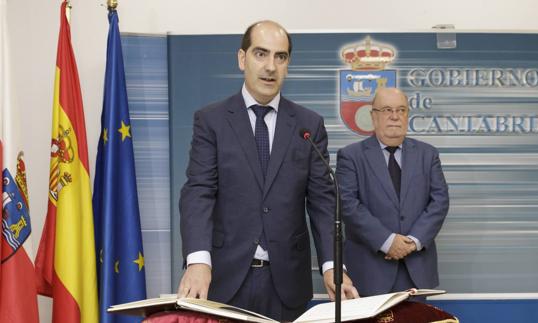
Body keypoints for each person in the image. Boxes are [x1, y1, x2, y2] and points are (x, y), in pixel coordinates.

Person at [177, 20, 358, 321]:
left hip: (286, 282)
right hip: (225, 279)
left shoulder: (308, 125)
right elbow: (199, 192)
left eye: (280, 57)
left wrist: (332, 267)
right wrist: (197, 261)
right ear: (241, 58)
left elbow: (323, 202)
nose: (270, 66)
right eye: (261, 54)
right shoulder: (212, 121)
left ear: (287, 64)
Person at [336, 87, 449, 297]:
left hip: (416, 269)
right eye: (387, 110)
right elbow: (348, 205)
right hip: (369, 271)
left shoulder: (428, 154)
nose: (395, 117)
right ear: (373, 116)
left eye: (401, 110)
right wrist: (387, 242)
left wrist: (412, 242)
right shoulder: (351, 156)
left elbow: (439, 202)